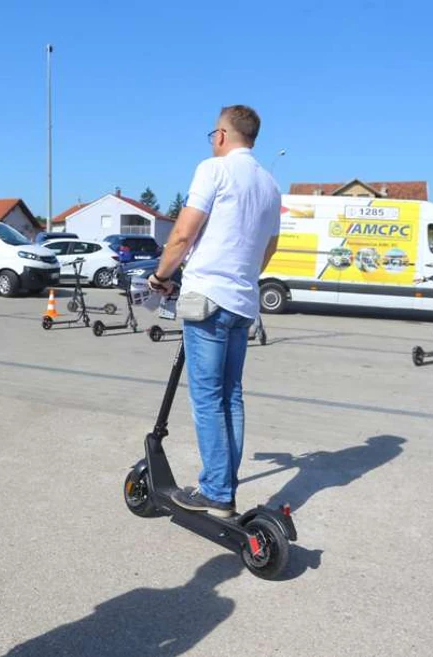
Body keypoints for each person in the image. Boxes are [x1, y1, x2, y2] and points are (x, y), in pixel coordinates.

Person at [148, 105, 281, 518]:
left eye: (212, 134)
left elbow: (184, 232)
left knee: (207, 399)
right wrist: (242, 275)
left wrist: (160, 276)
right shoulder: (270, 184)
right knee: (231, 397)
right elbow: (270, 248)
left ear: (221, 135)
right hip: (243, 303)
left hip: (208, 299)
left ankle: (217, 493)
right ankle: (224, 484)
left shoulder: (213, 170)